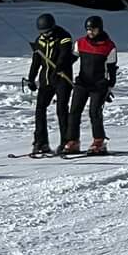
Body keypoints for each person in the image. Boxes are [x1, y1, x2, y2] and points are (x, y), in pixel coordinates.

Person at [23, 13, 77, 158]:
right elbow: (36, 61)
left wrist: (60, 66)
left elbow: (65, 54)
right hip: (46, 80)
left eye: (47, 32)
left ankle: (66, 141)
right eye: (42, 32)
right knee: (40, 109)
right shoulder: (39, 41)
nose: (45, 35)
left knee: (61, 109)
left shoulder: (64, 37)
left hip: (61, 79)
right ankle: (41, 142)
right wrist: (31, 79)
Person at [71, 14, 119, 156]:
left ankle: (99, 141)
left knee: (94, 112)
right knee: (74, 111)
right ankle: (73, 141)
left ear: (100, 29)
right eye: (88, 29)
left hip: (99, 85)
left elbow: (111, 68)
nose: (90, 32)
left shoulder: (109, 46)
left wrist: (110, 86)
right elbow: (70, 59)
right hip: (82, 82)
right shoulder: (80, 43)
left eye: (93, 29)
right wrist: (60, 64)